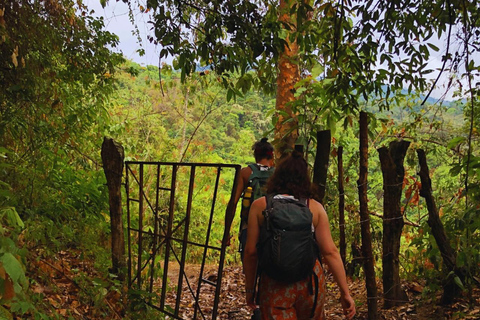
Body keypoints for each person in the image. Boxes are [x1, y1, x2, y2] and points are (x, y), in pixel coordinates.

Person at [243, 151, 356, 320]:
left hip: (275, 283)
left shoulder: (260, 206)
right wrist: (345, 292)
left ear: (277, 175)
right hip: (310, 284)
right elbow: (330, 252)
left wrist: (251, 289)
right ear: (305, 179)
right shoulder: (315, 207)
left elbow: (251, 252)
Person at [234, 138, 275, 261]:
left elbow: (233, 202)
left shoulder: (245, 173)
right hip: (273, 227)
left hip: (249, 226)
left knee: (249, 265)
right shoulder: (278, 174)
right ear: (272, 156)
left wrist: (226, 235)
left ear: (256, 156)